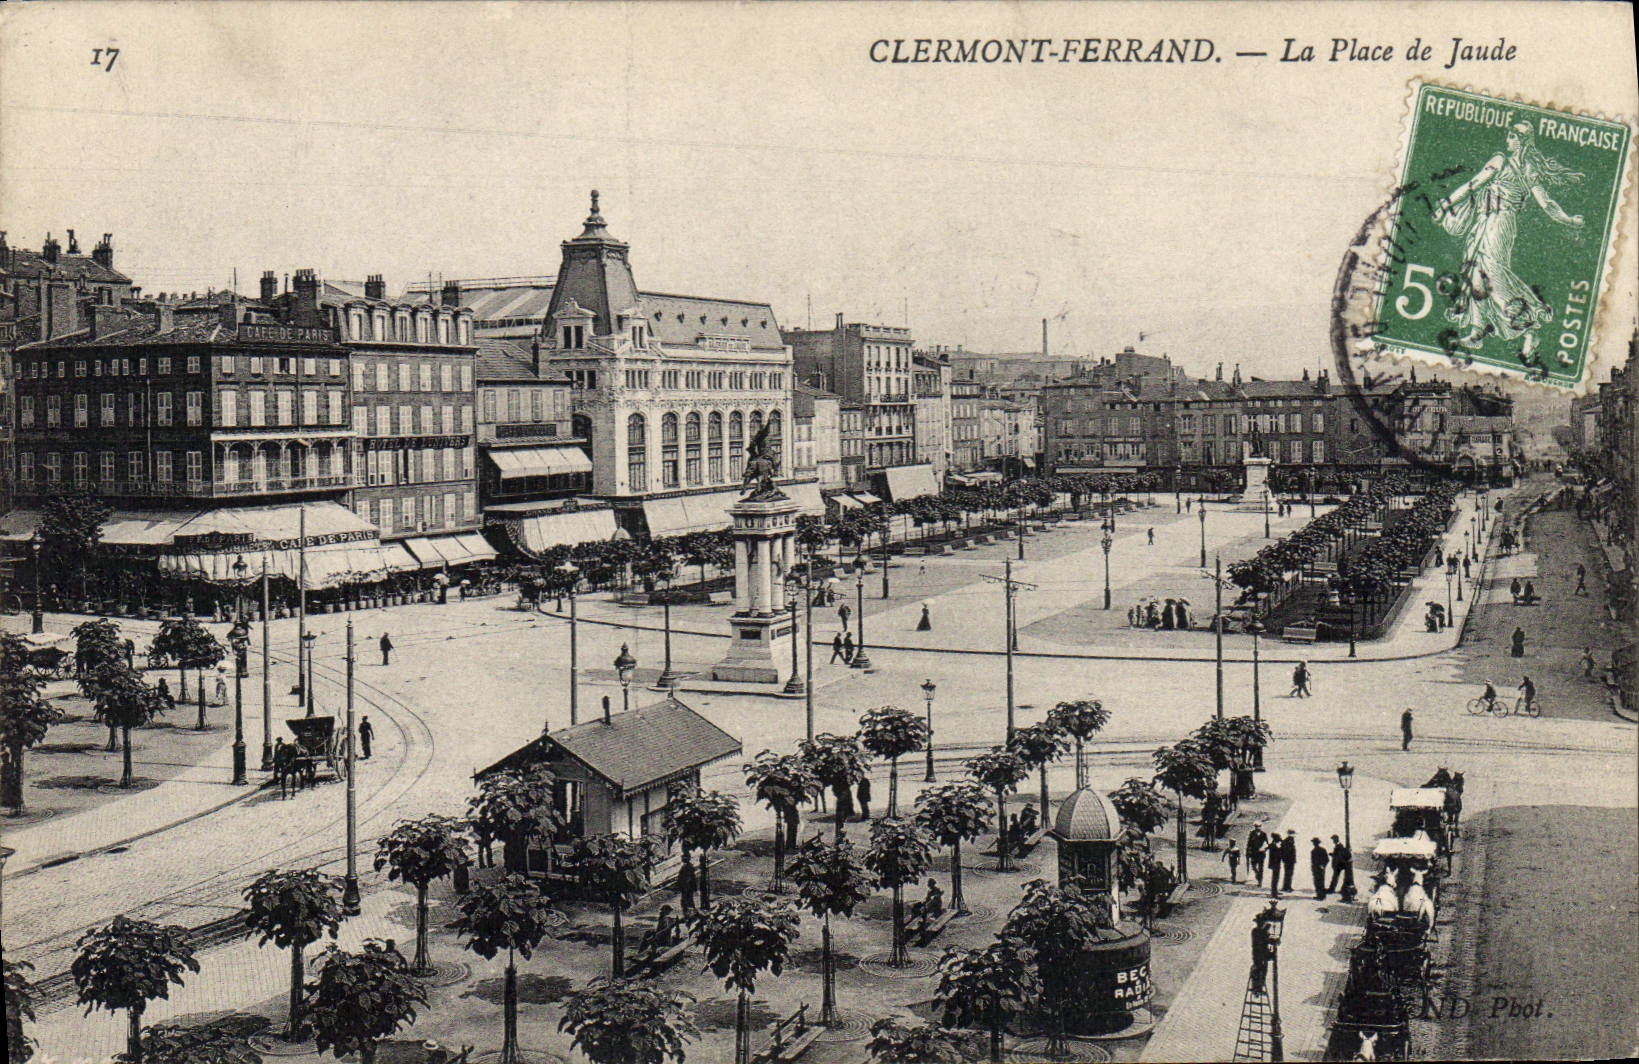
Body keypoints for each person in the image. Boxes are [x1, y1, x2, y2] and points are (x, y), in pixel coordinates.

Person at [1434, 119, 1585, 368]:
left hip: (1498, 223)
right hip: (1487, 222)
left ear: (1521, 140)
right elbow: (1547, 204)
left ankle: (1528, 328)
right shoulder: (1528, 170)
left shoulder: (1501, 161)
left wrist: (1446, 205)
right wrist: (1568, 220)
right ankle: (1479, 328)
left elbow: (1473, 185)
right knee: (1475, 274)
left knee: (1492, 274)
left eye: (1512, 135)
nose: (1507, 139)